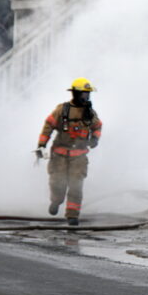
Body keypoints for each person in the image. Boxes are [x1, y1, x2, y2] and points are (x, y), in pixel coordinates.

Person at [36, 77, 102, 226]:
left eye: (88, 94)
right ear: (76, 93)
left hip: (79, 157)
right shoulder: (62, 110)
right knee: (57, 183)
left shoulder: (90, 113)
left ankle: (72, 216)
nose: (87, 97)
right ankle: (56, 201)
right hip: (59, 155)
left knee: (76, 186)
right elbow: (48, 125)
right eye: (84, 93)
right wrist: (41, 144)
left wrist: (95, 139)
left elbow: (97, 126)